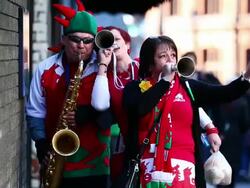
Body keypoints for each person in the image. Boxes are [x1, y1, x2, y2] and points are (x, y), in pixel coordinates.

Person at [123, 35, 250, 188]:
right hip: (148, 167)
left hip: (184, 169)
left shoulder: (187, 86)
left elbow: (224, 93)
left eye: (173, 55)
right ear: (150, 64)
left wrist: (247, 76)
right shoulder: (136, 88)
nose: (170, 60)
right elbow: (140, 108)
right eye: (163, 56)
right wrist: (164, 81)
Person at [26, 2, 112, 188]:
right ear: (63, 39)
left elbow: (114, 112)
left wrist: (88, 113)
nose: (81, 46)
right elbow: (35, 112)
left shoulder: (105, 68)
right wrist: (42, 147)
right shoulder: (45, 69)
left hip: (95, 166)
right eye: (75, 39)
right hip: (56, 161)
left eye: (88, 41)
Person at [89, 26, 140, 184]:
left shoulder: (142, 67)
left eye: (117, 39)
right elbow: (99, 104)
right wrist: (103, 65)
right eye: (108, 40)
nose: (113, 43)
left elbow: (177, 93)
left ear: (128, 44)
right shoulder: (105, 76)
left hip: (151, 139)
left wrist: (209, 127)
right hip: (124, 145)